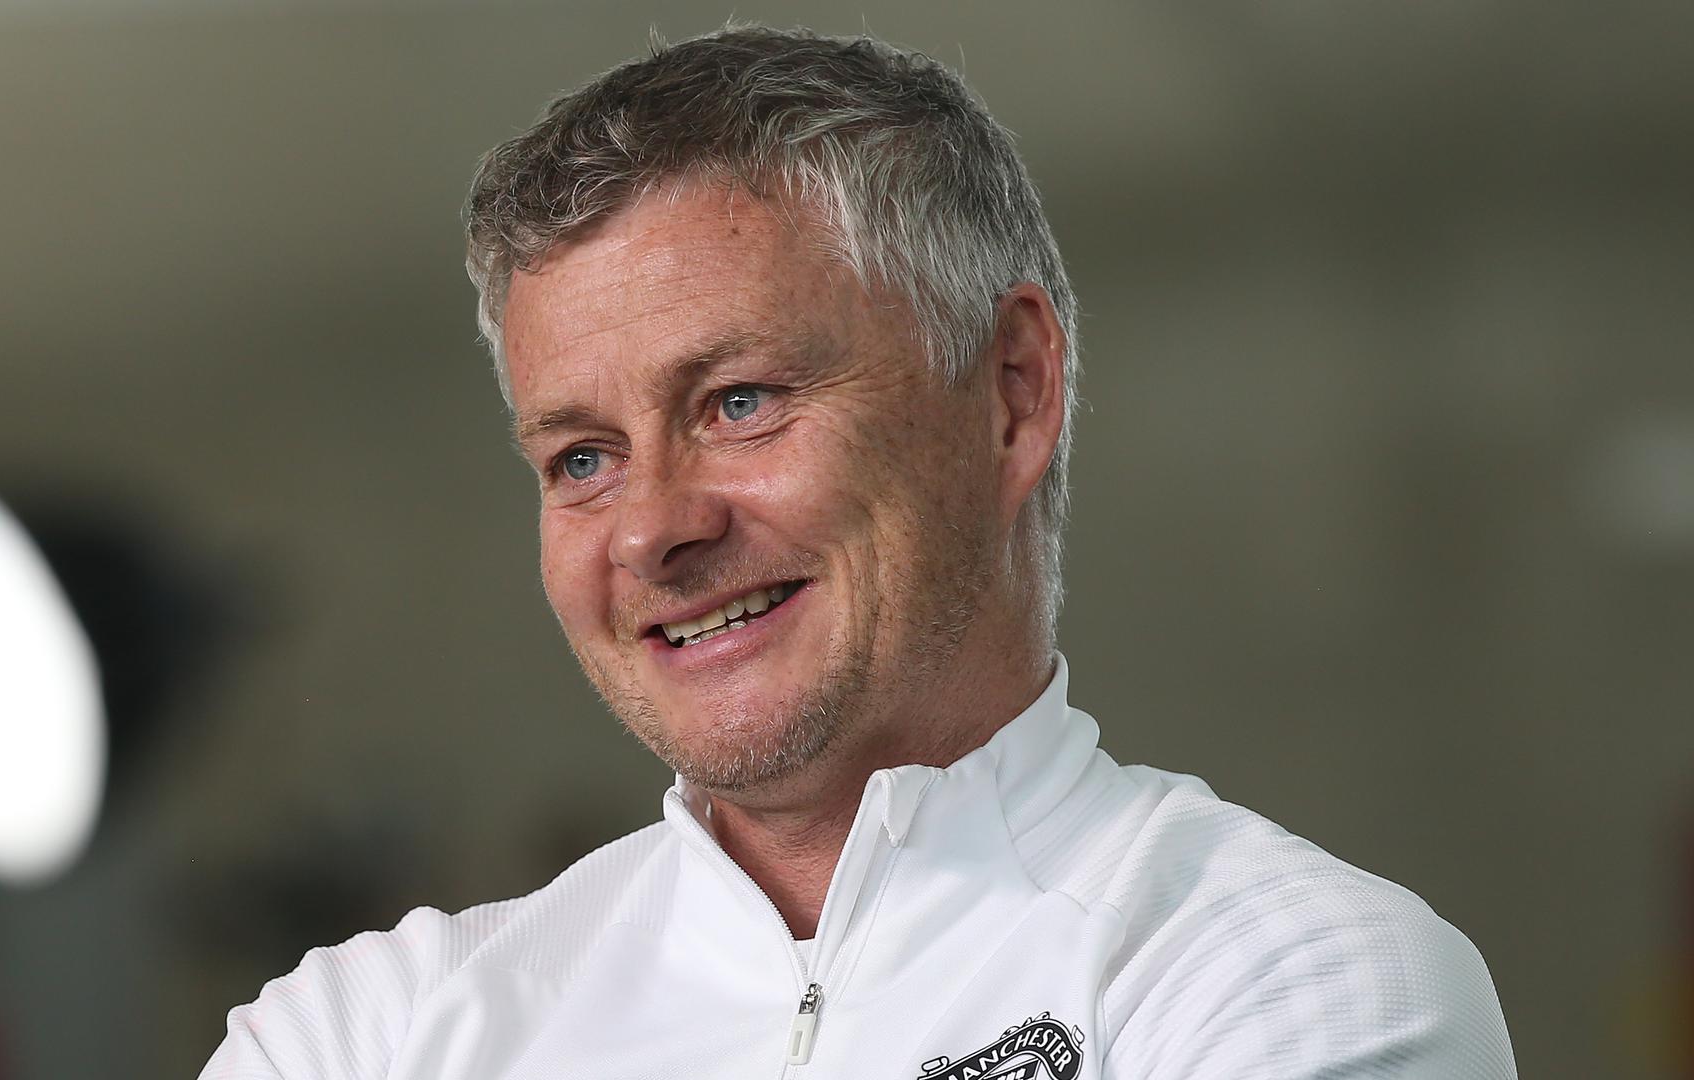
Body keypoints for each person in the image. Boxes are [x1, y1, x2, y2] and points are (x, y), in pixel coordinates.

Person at [200, 25, 1515, 1079]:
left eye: (739, 402)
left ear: (1010, 392)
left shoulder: (1283, 972)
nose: (653, 529)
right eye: (582, 459)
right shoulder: (366, 1032)